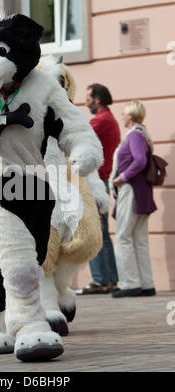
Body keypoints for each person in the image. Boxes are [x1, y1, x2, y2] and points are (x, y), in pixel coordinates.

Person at [76, 83, 120, 295]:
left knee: (94, 232)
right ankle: (110, 279)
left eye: (89, 98)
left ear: (98, 99)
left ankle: (100, 280)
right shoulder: (111, 119)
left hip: (95, 181)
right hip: (102, 180)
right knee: (103, 234)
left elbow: (77, 137)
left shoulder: (100, 121)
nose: (86, 101)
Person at [111, 101, 156, 298]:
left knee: (122, 237)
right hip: (141, 191)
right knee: (139, 239)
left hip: (131, 189)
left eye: (124, 113)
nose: (122, 115)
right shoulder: (142, 133)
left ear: (131, 115)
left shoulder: (134, 135)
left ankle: (130, 283)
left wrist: (122, 177)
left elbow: (140, 161)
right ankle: (146, 284)